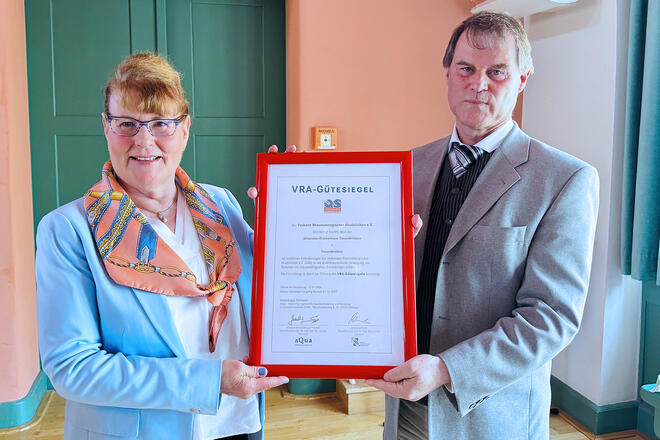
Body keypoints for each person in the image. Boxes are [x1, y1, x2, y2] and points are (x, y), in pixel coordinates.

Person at [365, 11, 599, 440]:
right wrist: (290, 195)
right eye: (466, 69)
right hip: (405, 408)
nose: (478, 84)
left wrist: (446, 369)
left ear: (522, 79)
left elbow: (551, 316)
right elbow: (370, 265)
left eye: (497, 72)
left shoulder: (564, 179)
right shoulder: (407, 166)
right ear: (448, 74)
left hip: (490, 417)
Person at [36, 52, 288, 440]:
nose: (144, 140)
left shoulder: (221, 204)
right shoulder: (68, 230)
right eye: (127, 124)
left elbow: (279, 283)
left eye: (160, 124)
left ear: (184, 129)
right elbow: (73, 368)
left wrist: (295, 213)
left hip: (237, 423)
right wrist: (208, 380)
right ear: (106, 127)